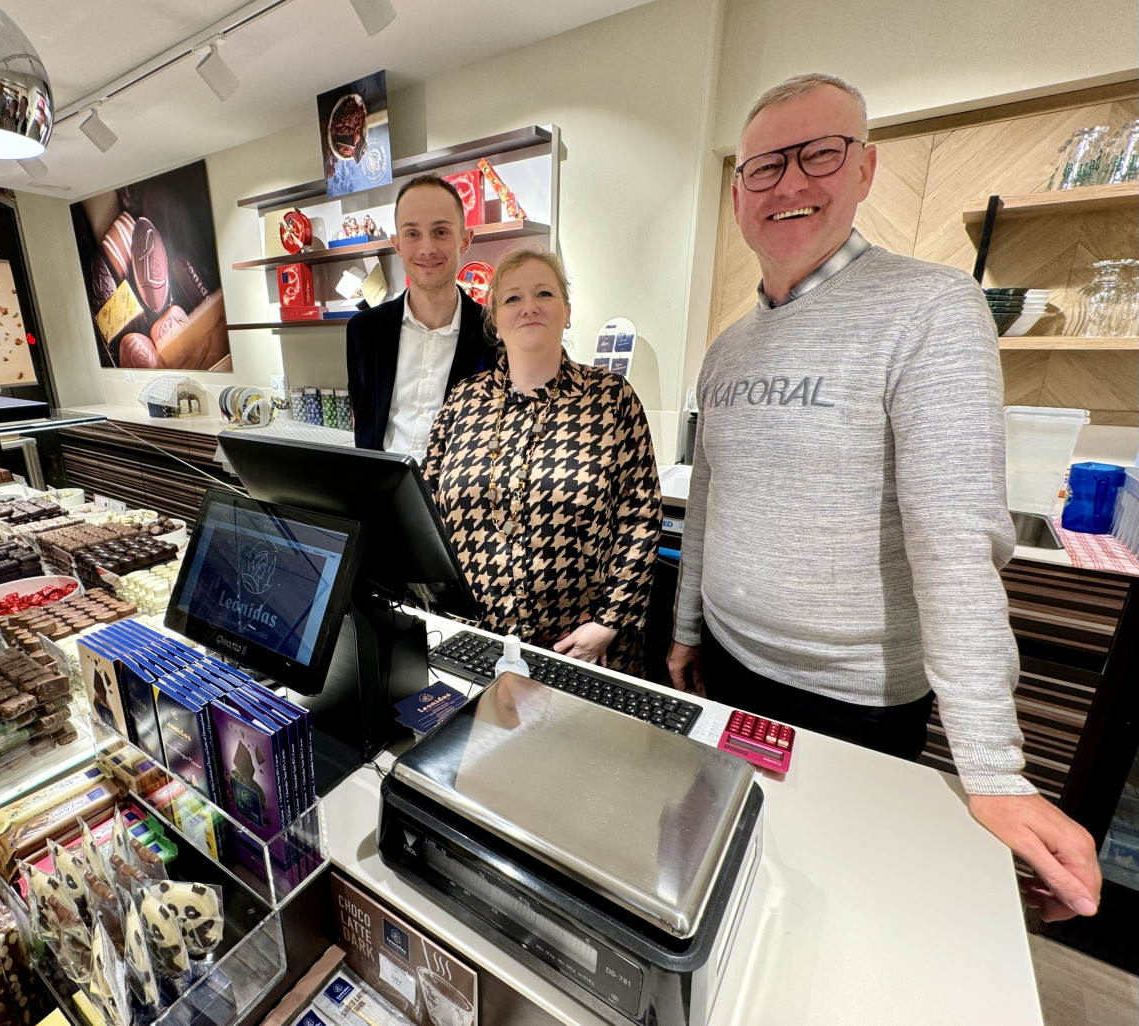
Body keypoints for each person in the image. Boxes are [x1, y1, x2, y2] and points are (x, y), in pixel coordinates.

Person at [668, 72, 1101, 922]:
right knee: (725, 883)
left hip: (851, 703)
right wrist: (686, 627)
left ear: (865, 169)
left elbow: (954, 540)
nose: (791, 183)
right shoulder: (728, 349)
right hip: (727, 665)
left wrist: (993, 767)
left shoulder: (931, 308)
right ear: (737, 193)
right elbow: (709, 502)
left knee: (830, 905)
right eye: (765, 165)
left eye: (819, 154)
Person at [423, 248, 660, 674]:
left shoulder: (611, 398)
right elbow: (425, 508)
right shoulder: (463, 399)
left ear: (567, 312)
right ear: (494, 318)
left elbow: (639, 519)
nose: (529, 307)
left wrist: (608, 624)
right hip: (475, 640)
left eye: (544, 293)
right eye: (512, 298)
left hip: (580, 645)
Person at [346, 175, 492, 457]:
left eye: (440, 232)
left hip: (458, 499)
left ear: (465, 239)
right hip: (380, 496)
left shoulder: (495, 333)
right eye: (412, 234)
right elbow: (363, 421)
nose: (426, 248)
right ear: (397, 243)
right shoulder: (362, 330)